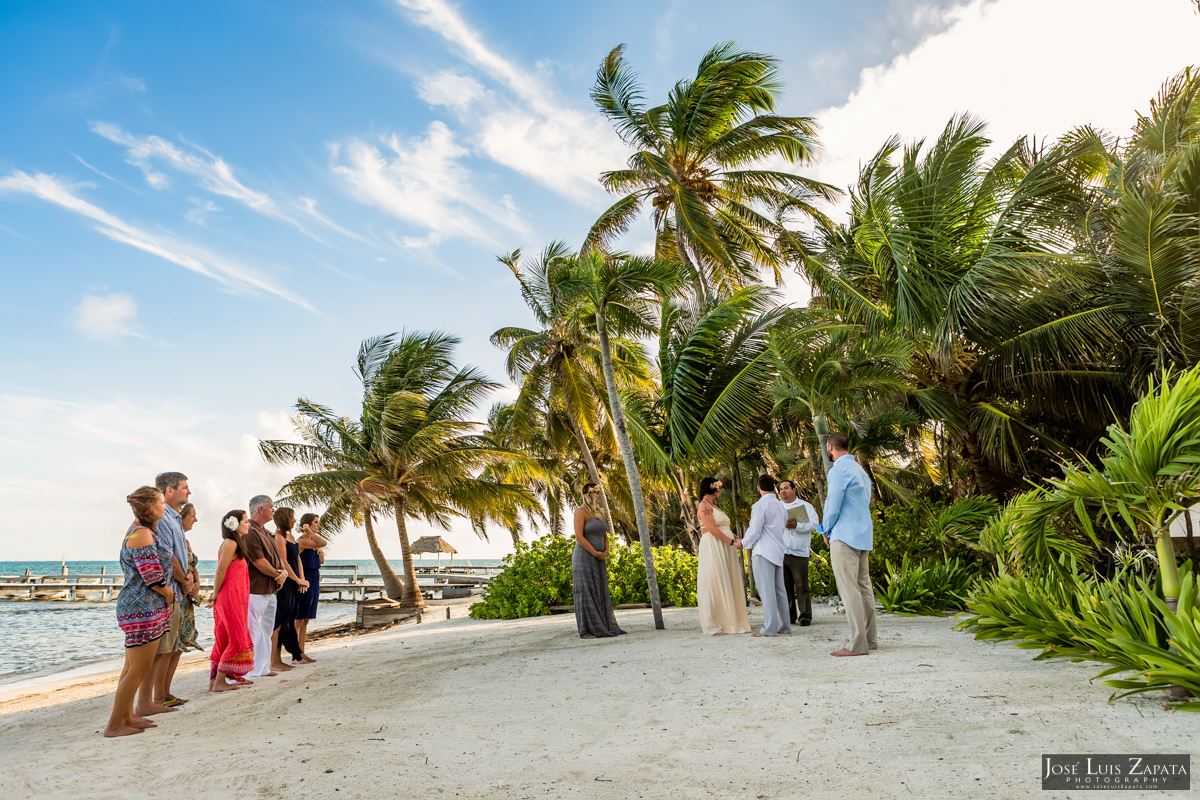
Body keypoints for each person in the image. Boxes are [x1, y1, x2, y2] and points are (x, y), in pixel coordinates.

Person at [106, 486, 176, 737]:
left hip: (144, 607)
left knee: (131, 667)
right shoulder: (142, 534)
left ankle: (127, 716)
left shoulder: (142, 531)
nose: (164, 506)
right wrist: (169, 594)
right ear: (148, 506)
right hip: (141, 608)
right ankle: (114, 725)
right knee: (139, 668)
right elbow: (153, 577)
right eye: (160, 502)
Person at [818, 432, 877, 657]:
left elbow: (833, 504)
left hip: (845, 535)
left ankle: (857, 644)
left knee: (849, 589)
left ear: (830, 446)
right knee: (864, 589)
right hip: (863, 535)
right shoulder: (860, 470)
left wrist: (825, 528)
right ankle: (870, 640)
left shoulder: (839, 470)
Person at [150, 472, 194, 707]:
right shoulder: (164, 518)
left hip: (178, 588)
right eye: (185, 487)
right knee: (164, 647)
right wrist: (184, 579)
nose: (188, 492)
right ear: (169, 490)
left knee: (171, 646)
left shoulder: (174, 518)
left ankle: (164, 693)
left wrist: (187, 578)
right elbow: (167, 556)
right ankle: (157, 697)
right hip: (171, 588)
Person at [694, 477, 750, 635]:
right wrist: (731, 541)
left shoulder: (714, 506)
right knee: (715, 580)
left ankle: (731, 619)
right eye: (718, 487)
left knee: (727, 579)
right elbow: (711, 529)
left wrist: (737, 538)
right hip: (714, 545)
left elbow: (723, 526)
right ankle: (715, 624)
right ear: (710, 488)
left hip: (725, 545)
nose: (720, 490)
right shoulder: (704, 506)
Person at [207, 510, 255, 691]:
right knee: (235, 638)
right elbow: (220, 571)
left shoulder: (235, 543)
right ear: (234, 525)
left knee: (226, 637)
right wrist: (214, 594)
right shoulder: (230, 543)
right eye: (245, 521)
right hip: (229, 598)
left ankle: (215, 681)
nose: (248, 524)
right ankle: (219, 682)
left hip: (236, 597)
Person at [571, 483, 626, 639]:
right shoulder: (580, 512)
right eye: (597, 493)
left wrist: (605, 550)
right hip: (584, 556)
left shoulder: (598, 512)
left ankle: (603, 625)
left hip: (599, 556)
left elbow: (604, 534)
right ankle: (586, 630)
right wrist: (595, 552)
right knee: (586, 591)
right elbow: (579, 537)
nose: (600, 496)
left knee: (600, 589)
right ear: (589, 494)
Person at [739, 474, 790, 638]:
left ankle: (769, 628)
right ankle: (785, 626)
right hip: (778, 550)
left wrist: (744, 543)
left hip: (763, 551)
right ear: (774, 487)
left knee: (767, 591)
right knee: (779, 590)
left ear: (758, 488)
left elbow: (755, 529)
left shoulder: (760, 505)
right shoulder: (781, 506)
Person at [242, 495, 286, 677]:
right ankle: (246, 670)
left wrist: (283, 573)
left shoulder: (266, 532)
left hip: (271, 589)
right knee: (252, 630)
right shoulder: (250, 531)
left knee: (266, 630)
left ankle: (262, 667)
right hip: (256, 589)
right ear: (261, 509)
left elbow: (277, 560)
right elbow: (259, 562)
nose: (273, 510)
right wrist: (278, 574)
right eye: (271, 507)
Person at [271, 507, 308, 668]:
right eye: (292, 518)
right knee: (280, 620)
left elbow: (297, 559)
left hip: (294, 582)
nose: (294, 521)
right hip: (285, 584)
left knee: (290, 618)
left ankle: (292, 654)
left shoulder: (291, 536)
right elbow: (284, 563)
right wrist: (296, 580)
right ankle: (274, 660)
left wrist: (301, 578)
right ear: (285, 519)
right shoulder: (278, 537)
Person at [779, 480, 819, 627]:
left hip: (799, 551)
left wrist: (797, 526)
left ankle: (805, 616)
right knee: (785, 587)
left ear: (794, 490)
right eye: (781, 489)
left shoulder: (805, 506)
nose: (783, 491)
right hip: (781, 551)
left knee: (802, 586)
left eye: (786, 488)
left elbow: (814, 524)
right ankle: (789, 616)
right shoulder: (777, 507)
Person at [296, 513, 327, 662]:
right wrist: (308, 533)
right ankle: (296, 654)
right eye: (315, 523)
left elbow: (322, 559)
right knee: (299, 618)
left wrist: (315, 542)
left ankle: (302, 652)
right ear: (307, 524)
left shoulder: (313, 542)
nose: (318, 525)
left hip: (314, 578)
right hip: (305, 577)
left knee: (306, 618)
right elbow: (323, 543)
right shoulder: (302, 541)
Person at [177, 503, 203, 652]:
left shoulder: (186, 542)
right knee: (174, 645)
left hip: (188, 600)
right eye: (192, 516)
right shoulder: (176, 541)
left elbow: (192, 566)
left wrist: (197, 584)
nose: (195, 520)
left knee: (182, 646)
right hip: (180, 595)